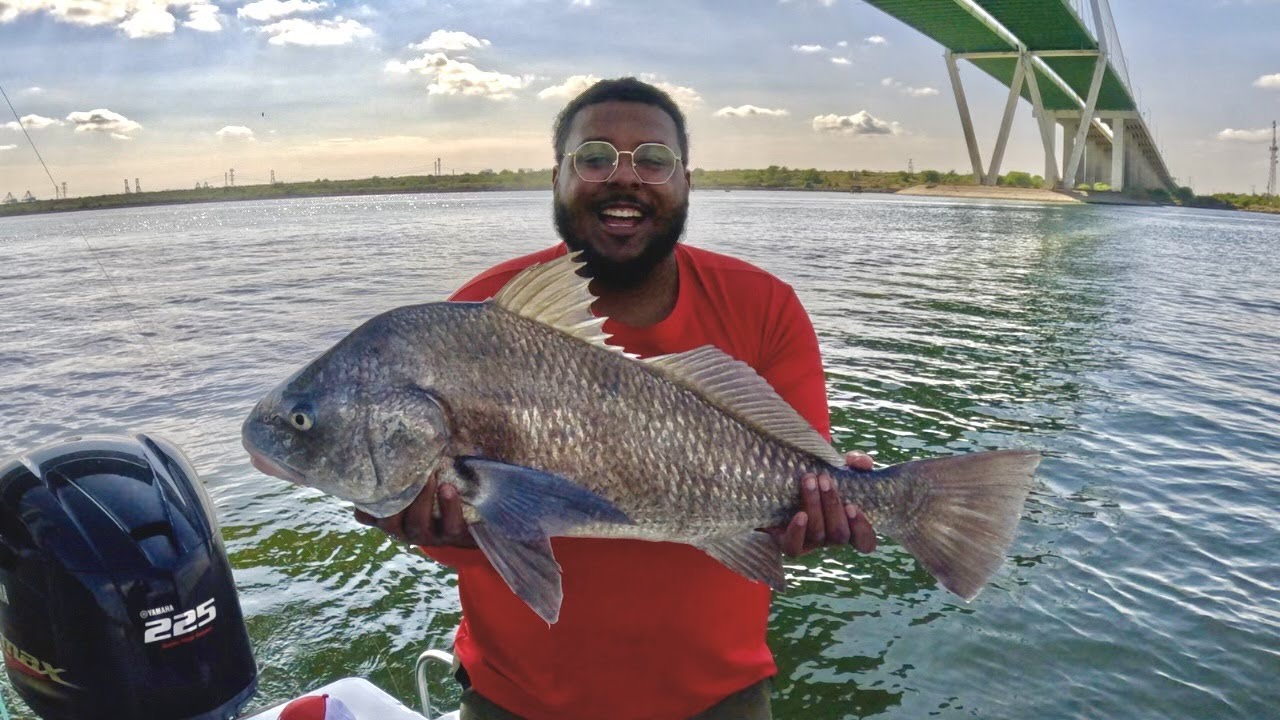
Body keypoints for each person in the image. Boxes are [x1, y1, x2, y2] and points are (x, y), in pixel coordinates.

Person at [356, 77, 877, 720]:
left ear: (687, 182)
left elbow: (800, 484)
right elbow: (460, 524)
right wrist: (434, 529)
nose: (623, 178)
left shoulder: (764, 305)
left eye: (653, 161)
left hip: (718, 698)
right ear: (557, 178)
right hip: (517, 699)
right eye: (595, 158)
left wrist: (824, 511)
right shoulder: (473, 318)